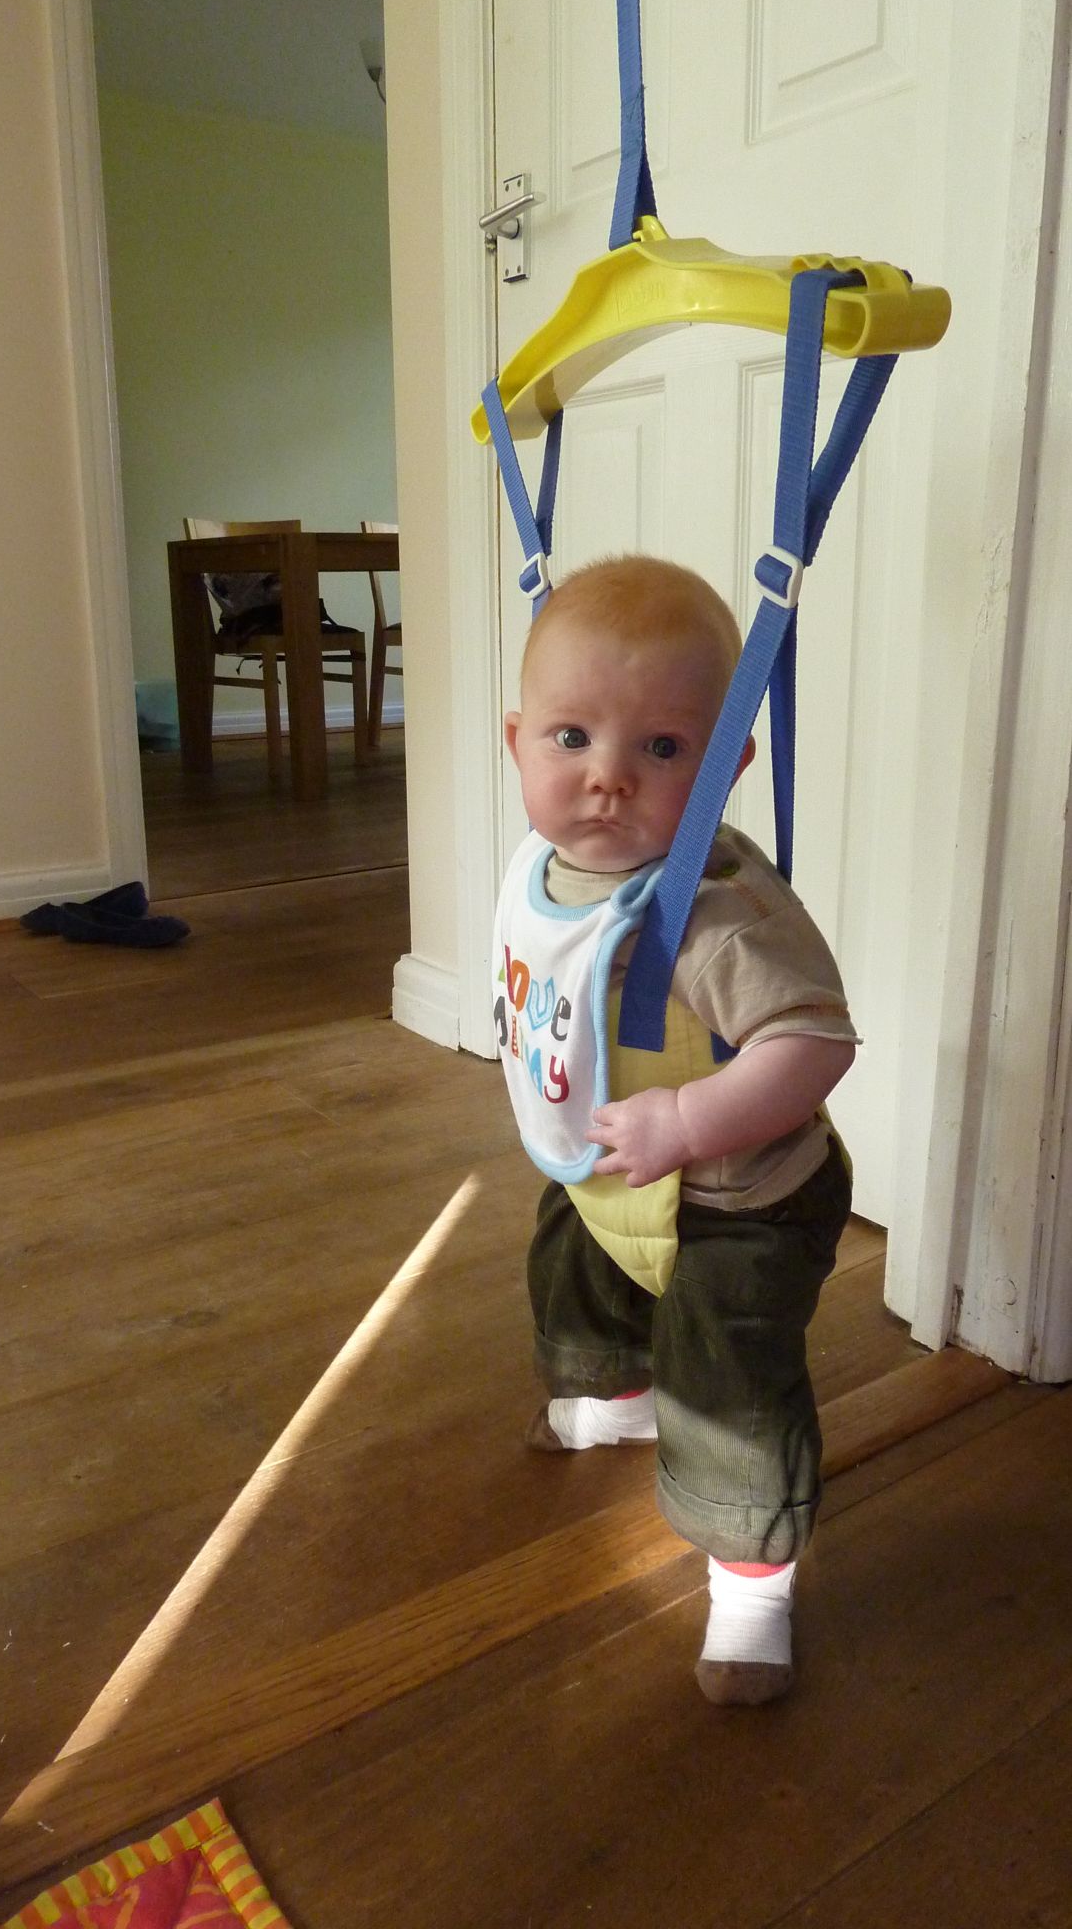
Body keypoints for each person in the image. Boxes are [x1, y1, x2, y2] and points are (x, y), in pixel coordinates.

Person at [493, 553, 856, 1706]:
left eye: (661, 747)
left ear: (726, 764)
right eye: (572, 738)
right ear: (517, 742)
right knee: (574, 1260)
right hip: (622, 1165)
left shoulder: (716, 914)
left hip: (746, 1198)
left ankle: (752, 1580)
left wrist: (689, 1117)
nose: (607, 778)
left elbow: (816, 1043)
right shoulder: (544, 871)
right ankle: (614, 1399)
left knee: (729, 1374)